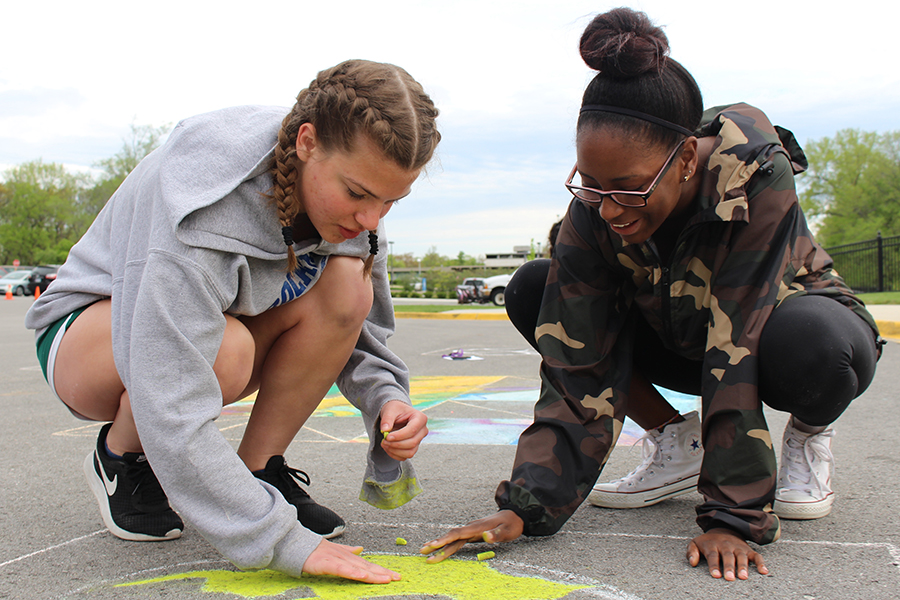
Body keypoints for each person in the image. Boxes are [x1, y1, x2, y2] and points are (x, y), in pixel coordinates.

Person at [420, 8, 882, 582]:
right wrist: (525, 507)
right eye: (592, 184)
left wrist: (731, 518)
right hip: (679, 329)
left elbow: (738, 336)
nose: (609, 208)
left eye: (629, 188)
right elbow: (575, 357)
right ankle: (676, 439)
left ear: (686, 159)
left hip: (779, 329)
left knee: (821, 345)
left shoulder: (753, 179)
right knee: (536, 288)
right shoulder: (596, 207)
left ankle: (810, 437)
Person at [25, 59, 440, 584]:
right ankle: (121, 456)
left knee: (344, 285)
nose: (370, 219)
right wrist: (275, 538)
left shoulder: (354, 206)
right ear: (307, 142)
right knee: (226, 352)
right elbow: (169, 386)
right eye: (358, 194)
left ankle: (256, 471)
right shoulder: (204, 201)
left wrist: (389, 400)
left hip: (208, 332)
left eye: (391, 201)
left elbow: (356, 329)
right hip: (86, 335)